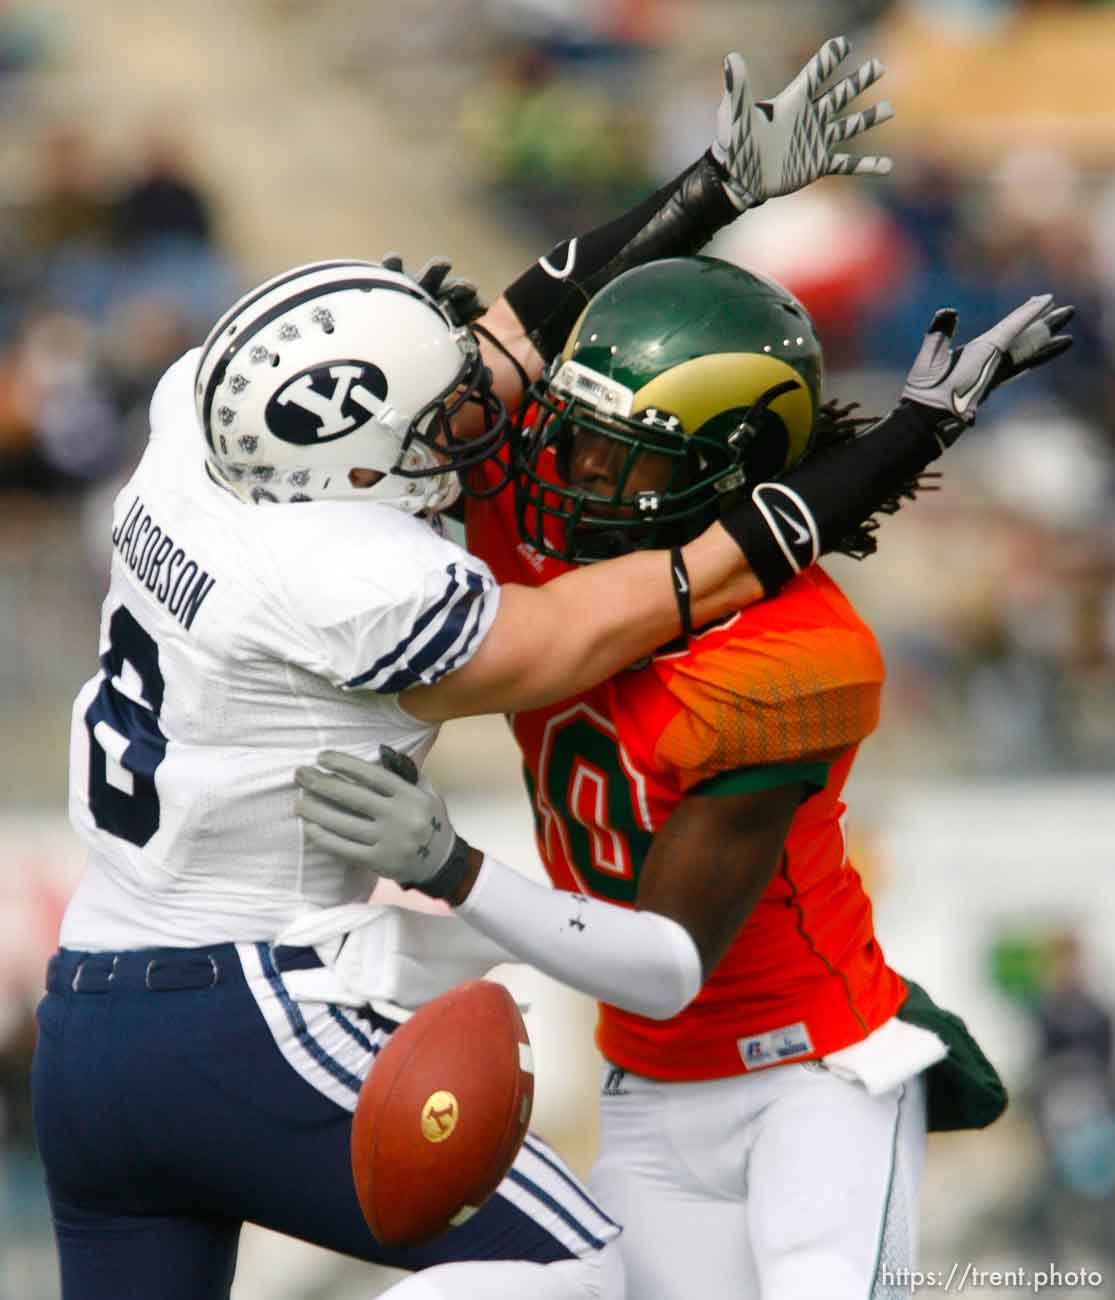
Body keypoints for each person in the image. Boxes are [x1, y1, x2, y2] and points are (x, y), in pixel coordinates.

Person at [31, 33, 1063, 1300]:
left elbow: (503, 345)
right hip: (249, 1005)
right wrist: (909, 434)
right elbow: (656, 585)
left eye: (586, 447)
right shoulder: (385, 582)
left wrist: (713, 188)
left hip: (92, 1006)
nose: (509, 436)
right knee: (582, 1273)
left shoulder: (198, 431)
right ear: (362, 475)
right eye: (453, 423)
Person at [294, 255, 1074, 1300]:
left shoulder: (786, 655)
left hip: (808, 1078)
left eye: (618, 458)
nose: (566, 469)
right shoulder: (552, 524)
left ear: (722, 475)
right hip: (650, 1092)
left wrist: (454, 871)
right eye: (571, 432)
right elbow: (447, 421)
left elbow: (666, 963)